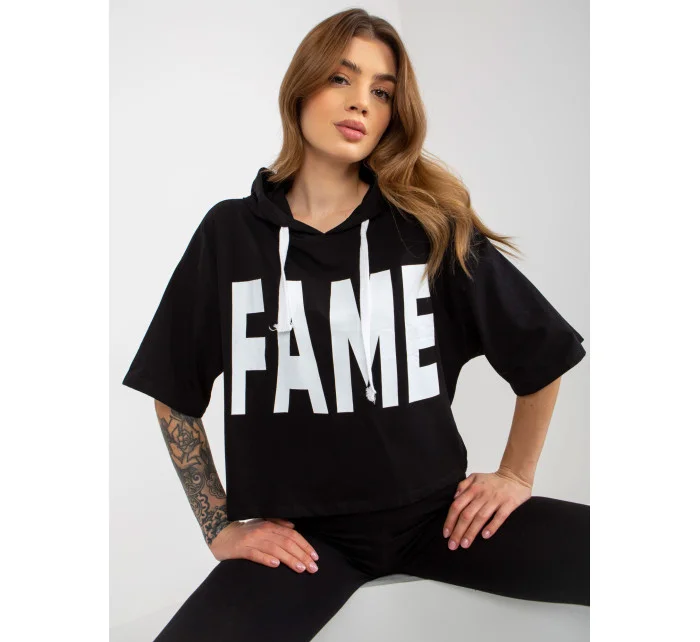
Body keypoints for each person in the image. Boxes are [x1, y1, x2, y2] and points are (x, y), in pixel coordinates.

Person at [122, 8, 589, 641]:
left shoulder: (427, 225)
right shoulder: (230, 234)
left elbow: (543, 352)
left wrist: (515, 475)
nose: (361, 103)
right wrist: (219, 525)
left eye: (382, 91)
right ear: (301, 88)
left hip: (443, 522)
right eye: (342, 78)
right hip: (305, 546)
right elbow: (172, 389)